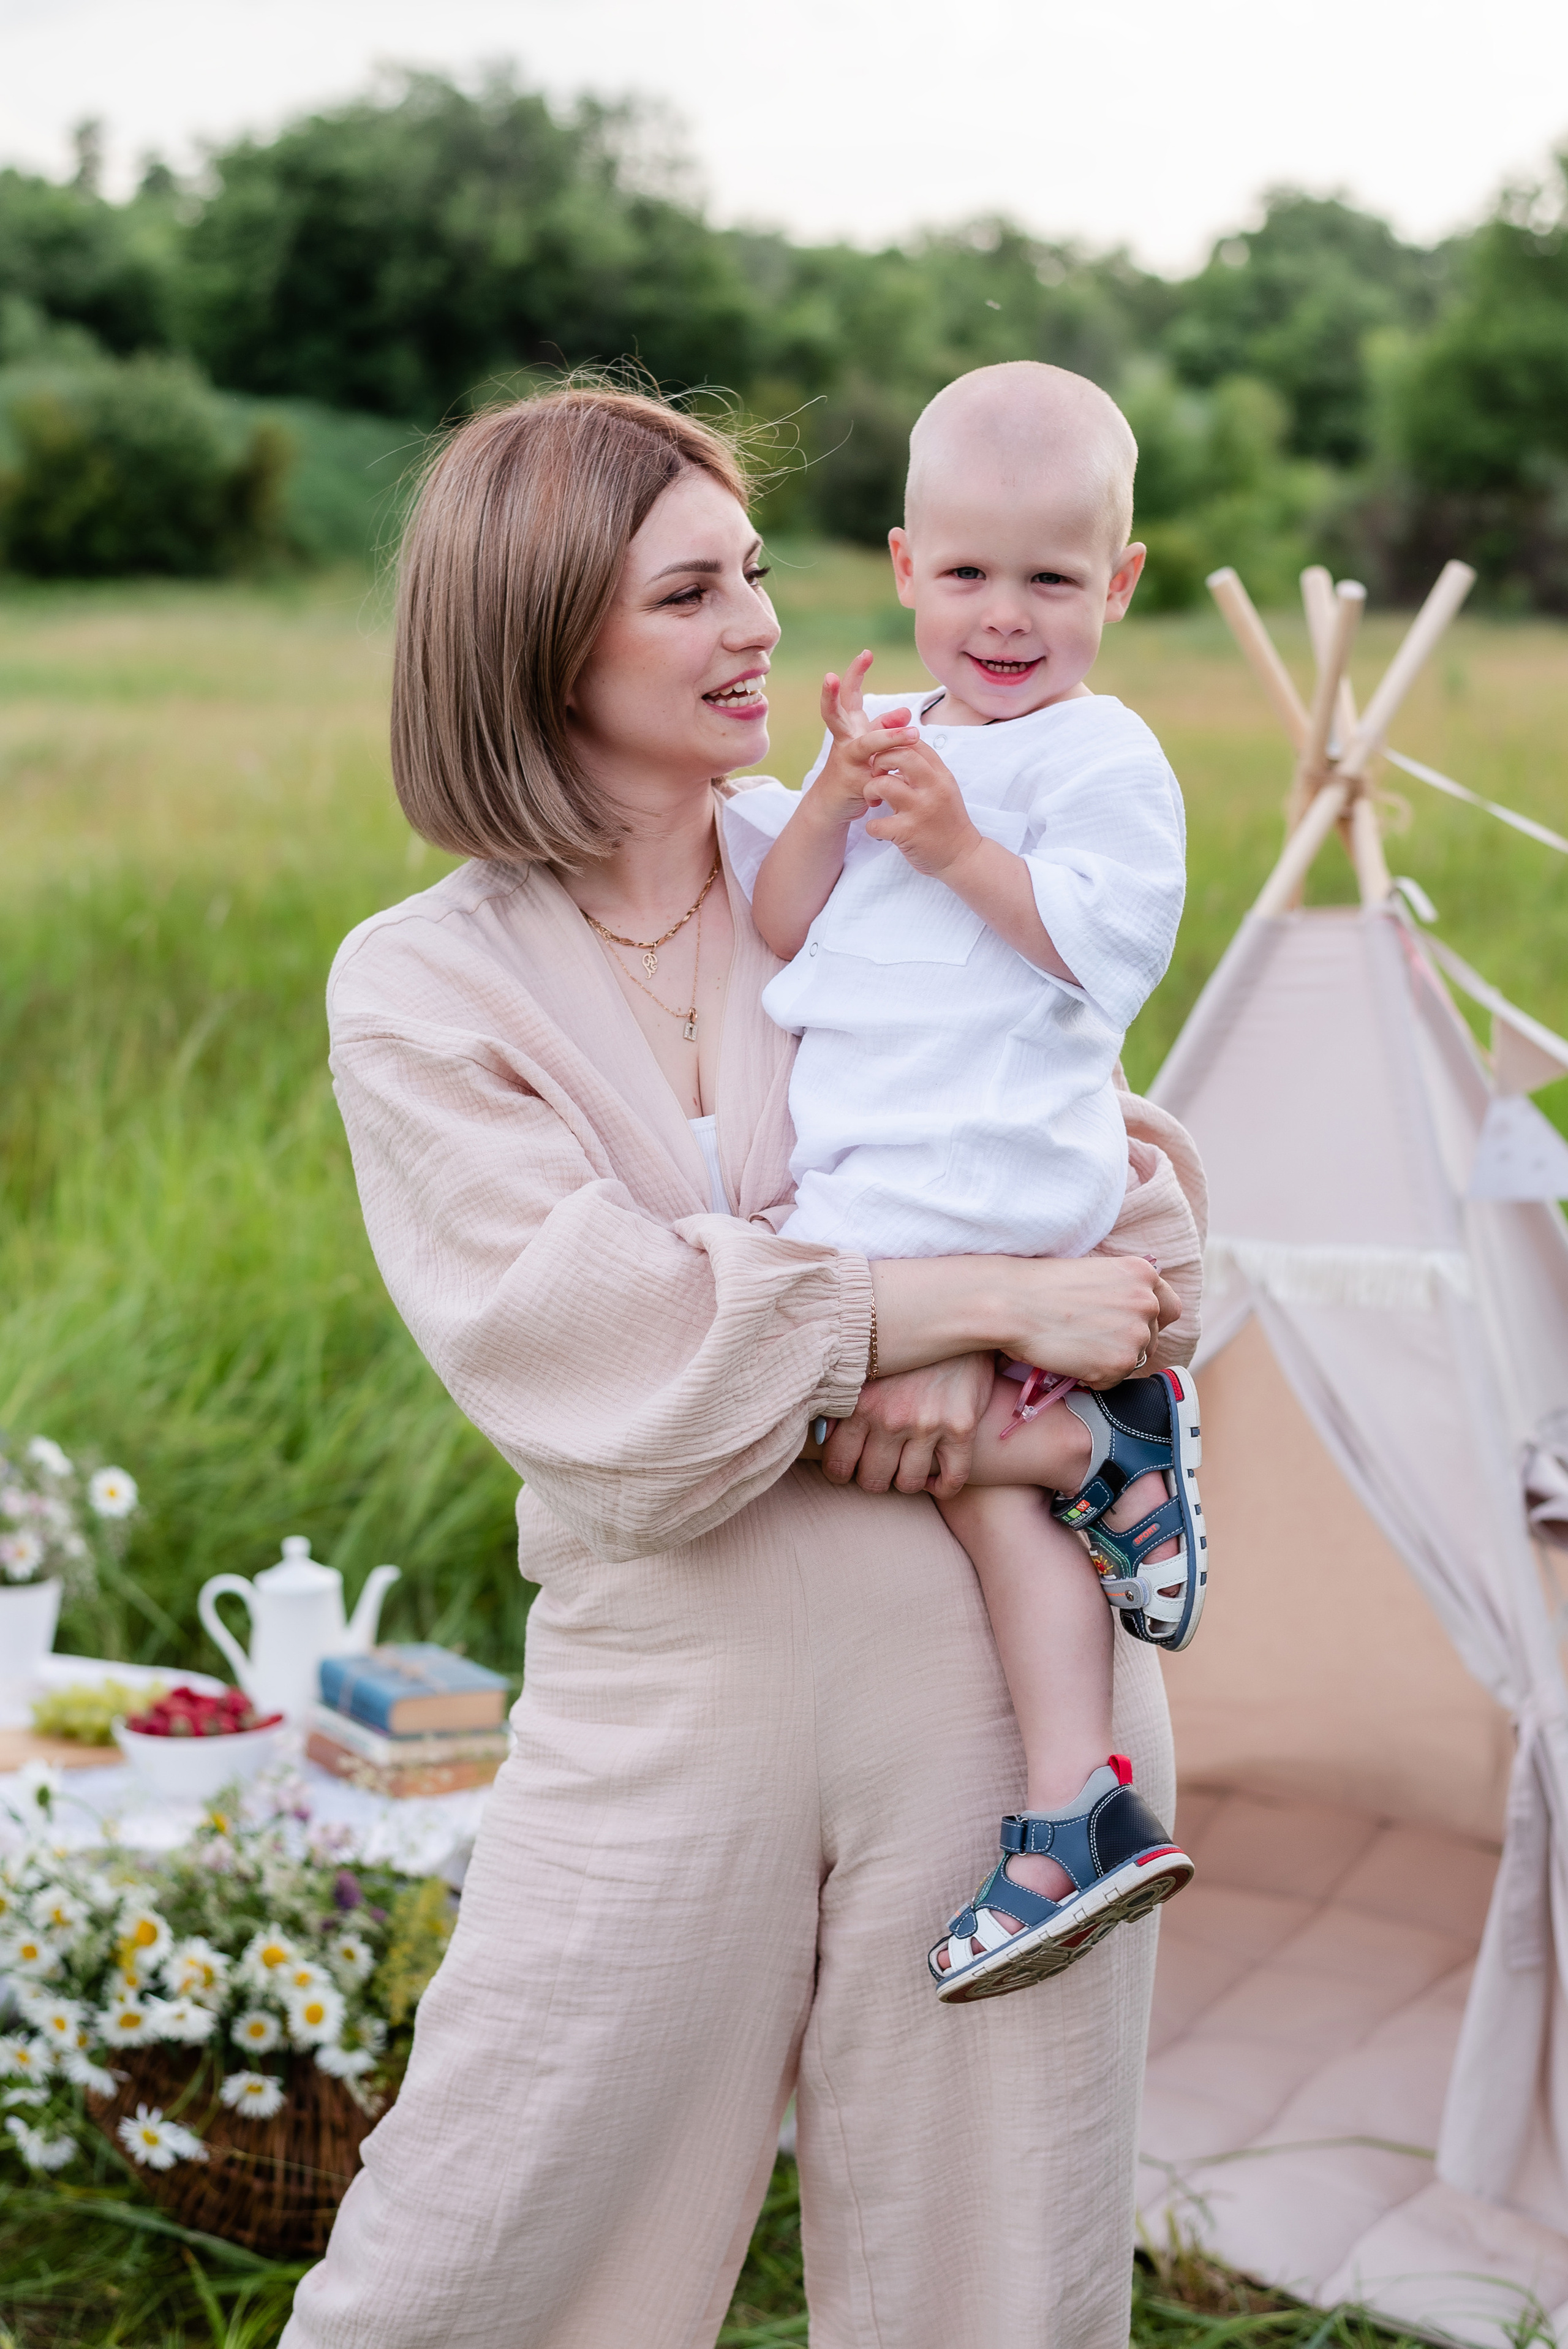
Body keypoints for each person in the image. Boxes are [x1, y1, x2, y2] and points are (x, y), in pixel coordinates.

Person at [282, 382, 1205, 2349]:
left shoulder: (877, 842)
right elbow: (580, 1340)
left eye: (759, 574)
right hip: (667, 1689)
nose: (761, 630)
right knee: (486, 2240)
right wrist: (957, 1312)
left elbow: (1139, 1203)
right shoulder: (426, 982)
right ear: (546, 640)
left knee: (994, 2272)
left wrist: (997, 1312)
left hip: (993, 1699)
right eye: (692, 593)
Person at [725, 361, 1205, 2005]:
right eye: (971, 574)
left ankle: (1101, 1430)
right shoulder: (898, 739)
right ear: (908, 563)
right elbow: (782, 922)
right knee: (984, 1490)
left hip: (981, 1166)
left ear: (1117, 585)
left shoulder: (1100, 755)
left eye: (1053, 579)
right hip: (888, 1175)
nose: (1007, 616)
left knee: (782, 1391)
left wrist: (952, 850)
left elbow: (1104, 949)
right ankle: (1077, 1799)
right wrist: (838, 796)